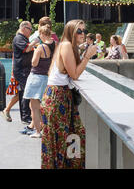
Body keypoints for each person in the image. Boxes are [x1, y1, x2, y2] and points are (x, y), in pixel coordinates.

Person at [41, 19, 97, 169]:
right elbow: (74, 74)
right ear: (70, 32)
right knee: (60, 143)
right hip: (57, 97)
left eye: (84, 31)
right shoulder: (66, 45)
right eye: (79, 31)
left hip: (62, 96)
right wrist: (87, 56)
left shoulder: (69, 47)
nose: (83, 34)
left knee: (74, 137)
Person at [23, 24, 55, 138]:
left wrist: (35, 50)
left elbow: (34, 63)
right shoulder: (54, 44)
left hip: (36, 77)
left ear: (42, 34)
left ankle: (38, 131)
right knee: (45, 107)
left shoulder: (41, 47)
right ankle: (47, 130)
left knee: (35, 108)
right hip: (47, 77)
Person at [13, 21, 40, 125]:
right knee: (26, 92)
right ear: (24, 28)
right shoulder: (19, 38)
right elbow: (27, 49)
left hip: (24, 69)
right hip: (21, 70)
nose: (31, 31)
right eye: (30, 29)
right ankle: (25, 116)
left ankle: (25, 116)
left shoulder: (23, 38)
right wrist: (35, 41)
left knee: (23, 92)